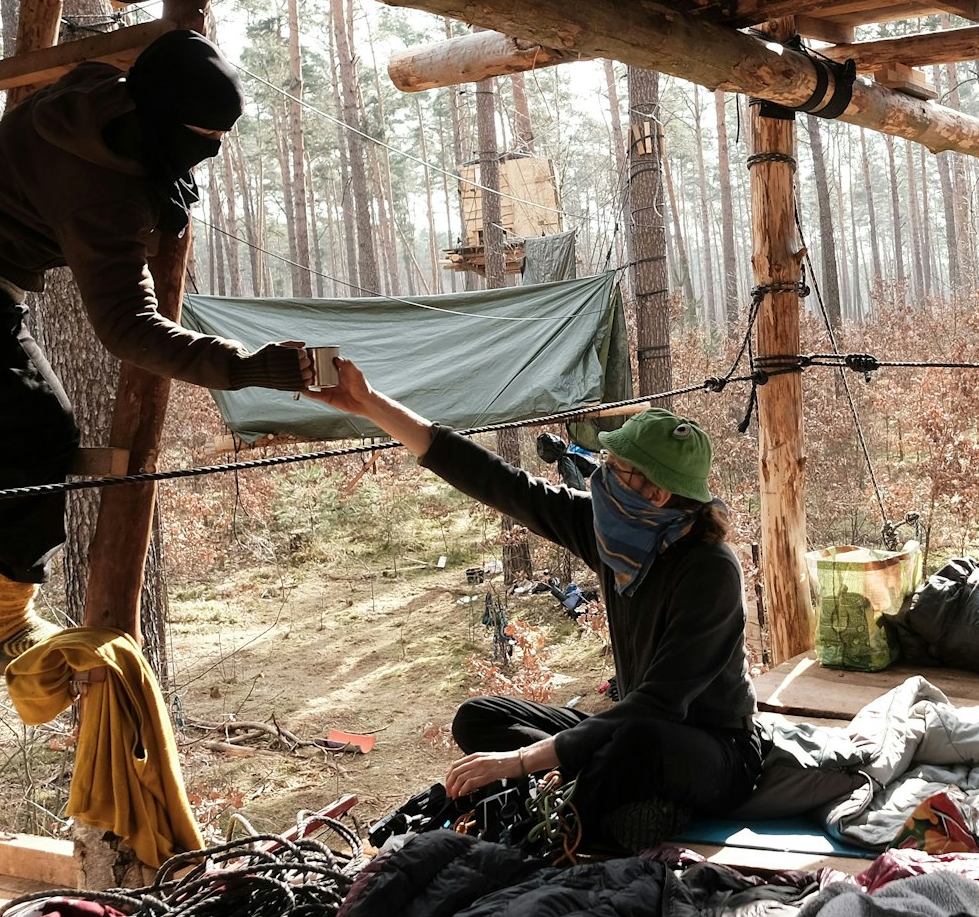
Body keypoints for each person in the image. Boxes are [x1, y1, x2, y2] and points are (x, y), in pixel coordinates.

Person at [0, 29, 309, 668]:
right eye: (204, 136)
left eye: (222, 135)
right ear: (165, 123)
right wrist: (242, 367)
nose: (214, 148)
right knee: (32, 429)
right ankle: (6, 622)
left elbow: (130, 83)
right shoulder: (103, 197)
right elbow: (128, 328)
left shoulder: (97, 92)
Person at [312, 361, 761, 851]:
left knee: (635, 740)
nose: (602, 475)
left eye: (616, 468)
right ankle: (609, 801)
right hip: (631, 729)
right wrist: (370, 402)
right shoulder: (619, 535)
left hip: (713, 751)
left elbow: (658, 705)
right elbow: (503, 484)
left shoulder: (710, 569)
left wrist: (520, 761)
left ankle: (567, 823)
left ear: (656, 492)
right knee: (477, 718)